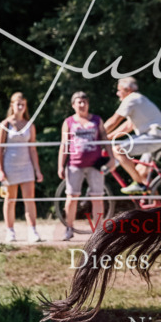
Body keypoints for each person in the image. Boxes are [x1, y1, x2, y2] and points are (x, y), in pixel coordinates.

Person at [104, 77, 161, 194]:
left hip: (155, 137)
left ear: (128, 89)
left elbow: (114, 120)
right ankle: (155, 202)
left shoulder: (131, 99)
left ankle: (139, 185)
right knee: (141, 173)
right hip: (156, 137)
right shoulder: (139, 100)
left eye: (119, 90)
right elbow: (128, 126)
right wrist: (108, 137)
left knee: (118, 150)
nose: (117, 93)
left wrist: (96, 133)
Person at [0, 91, 44, 243]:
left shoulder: (30, 125)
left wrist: (37, 170)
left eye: (23, 104)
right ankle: (10, 231)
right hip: (9, 166)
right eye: (18, 104)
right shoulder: (5, 124)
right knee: (10, 200)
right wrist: (0, 169)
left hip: (26, 166)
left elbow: (32, 148)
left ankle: (32, 230)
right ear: (12, 105)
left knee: (29, 199)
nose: (21, 107)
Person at [57, 91, 106, 241]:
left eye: (85, 101)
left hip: (95, 164)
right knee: (71, 197)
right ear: (73, 105)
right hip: (74, 164)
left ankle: (98, 232)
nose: (82, 104)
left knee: (97, 198)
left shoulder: (97, 120)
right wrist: (60, 165)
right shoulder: (68, 122)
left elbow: (104, 138)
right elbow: (64, 144)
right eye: (79, 102)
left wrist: (109, 158)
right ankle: (69, 228)